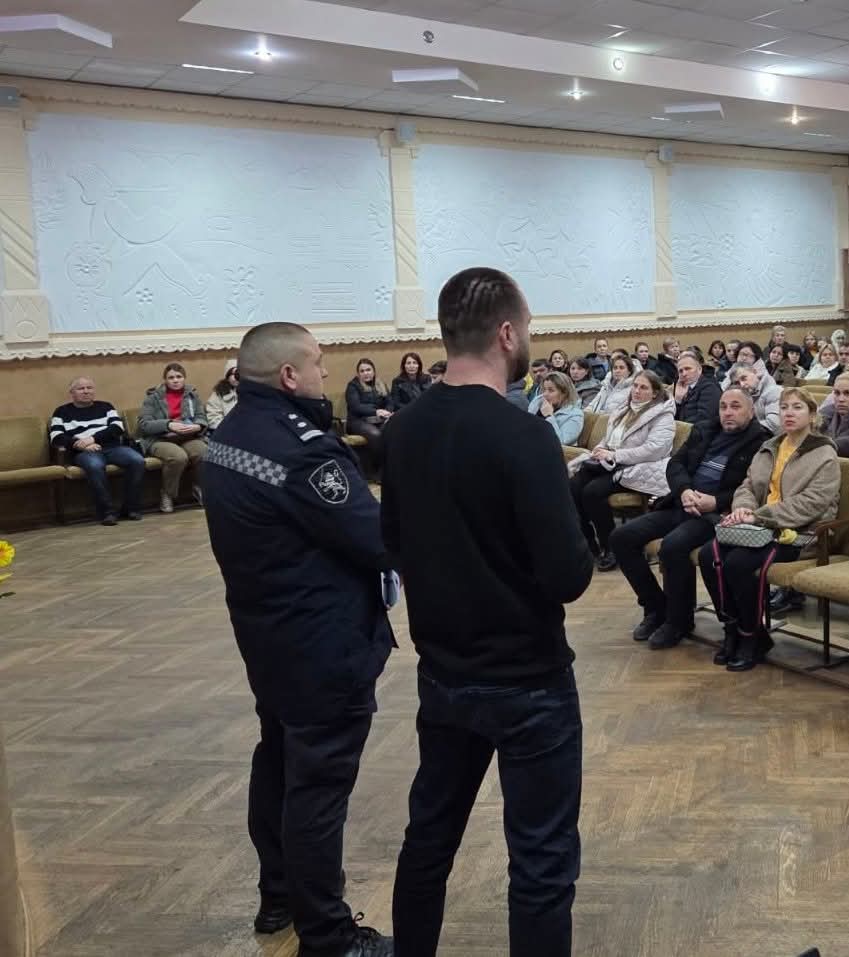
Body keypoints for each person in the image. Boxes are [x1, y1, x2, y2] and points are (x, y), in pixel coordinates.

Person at [382, 266, 592, 957]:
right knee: (540, 861)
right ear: (506, 333)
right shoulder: (523, 436)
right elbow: (567, 577)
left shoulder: (404, 429)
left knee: (428, 840)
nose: (527, 338)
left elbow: (391, 543)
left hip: (443, 674)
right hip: (527, 680)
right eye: (527, 328)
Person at [203, 322, 394, 957]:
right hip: (322, 641)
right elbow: (375, 539)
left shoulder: (230, 434)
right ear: (289, 375)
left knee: (279, 760)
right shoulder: (303, 450)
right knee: (318, 786)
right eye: (316, 362)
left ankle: (279, 895)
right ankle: (330, 937)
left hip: (266, 632)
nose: (324, 371)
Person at [610, 387, 768, 651]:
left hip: (717, 514)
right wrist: (684, 491)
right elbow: (676, 465)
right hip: (683, 502)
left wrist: (716, 501)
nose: (728, 412)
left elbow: (752, 487)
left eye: (735, 406)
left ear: (751, 411)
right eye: (723, 406)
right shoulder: (705, 429)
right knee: (621, 538)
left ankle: (678, 621)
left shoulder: (761, 442)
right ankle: (656, 607)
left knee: (672, 546)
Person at [698, 387, 840, 671]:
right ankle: (732, 628)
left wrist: (759, 516)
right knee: (708, 554)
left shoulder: (824, 453)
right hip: (758, 527)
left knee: (738, 563)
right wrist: (743, 508)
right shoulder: (771, 446)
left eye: (797, 407)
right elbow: (748, 485)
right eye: (784, 407)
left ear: (812, 415)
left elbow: (812, 503)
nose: (788, 413)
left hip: (800, 533)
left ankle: (751, 637)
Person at [569, 370, 675, 572]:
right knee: (571, 487)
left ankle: (611, 547)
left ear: (654, 393)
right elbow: (609, 439)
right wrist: (600, 449)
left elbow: (654, 449)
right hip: (610, 462)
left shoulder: (663, 415)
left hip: (637, 467)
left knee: (592, 492)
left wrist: (615, 455)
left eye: (643, 387)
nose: (637, 391)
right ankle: (586, 543)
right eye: (635, 386)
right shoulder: (624, 409)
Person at [49, 376, 145, 525]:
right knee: (94, 466)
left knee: (137, 460)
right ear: (72, 393)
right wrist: (80, 445)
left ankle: (130, 508)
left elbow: (117, 428)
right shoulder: (61, 412)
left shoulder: (106, 407)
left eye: (89, 388)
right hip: (84, 452)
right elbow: (56, 437)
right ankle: (108, 512)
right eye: (81, 388)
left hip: (112, 448)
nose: (86, 391)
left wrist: (92, 439)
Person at [137, 362, 208, 513]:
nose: (175, 380)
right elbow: (144, 424)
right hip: (159, 439)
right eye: (171, 377)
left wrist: (199, 426)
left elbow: (201, 416)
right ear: (165, 380)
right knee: (178, 457)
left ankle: (200, 488)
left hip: (187, 436)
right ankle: (168, 494)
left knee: (203, 452)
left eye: (179, 376)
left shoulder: (192, 394)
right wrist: (168, 425)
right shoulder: (153, 398)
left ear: (184, 378)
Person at [345, 358, 394, 472]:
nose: (365, 373)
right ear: (358, 374)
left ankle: (392, 465)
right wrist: (376, 411)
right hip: (358, 421)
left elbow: (390, 402)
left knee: (393, 429)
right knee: (376, 435)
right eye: (362, 371)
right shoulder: (353, 386)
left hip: (379, 419)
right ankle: (377, 469)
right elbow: (355, 407)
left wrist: (387, 412)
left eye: (368, 370)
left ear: (374, 371)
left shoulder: (381, 384)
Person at [528, 371, 583, 443]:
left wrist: (549, 416)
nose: (545, 394)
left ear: (564, 393)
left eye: (551, 390)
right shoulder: (538, 401)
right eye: (544, 389)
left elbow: (561, 441)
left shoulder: (575, 415)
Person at [729, 362, 782, 433]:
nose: (742, 385)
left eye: (744, 378)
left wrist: (742, 430)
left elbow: (774, 425)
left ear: (754, 372)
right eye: (737, 383)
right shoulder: (745, 396)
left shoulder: (775, 391)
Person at [674, 351, 721, 424]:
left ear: (699, 369)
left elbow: (704, 421)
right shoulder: (687, 388)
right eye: (680, 371)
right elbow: (676, 419)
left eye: (688, 368)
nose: (684, 374)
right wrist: (678, 401)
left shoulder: (710, 388)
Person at [206, 358, 239, 431]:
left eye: (238, 373)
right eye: (232, 374)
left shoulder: (252, 391)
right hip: (226, 431)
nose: (235, 377)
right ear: (227, 376)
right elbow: (213, 418)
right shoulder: (219, 393)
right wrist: (230, 428)